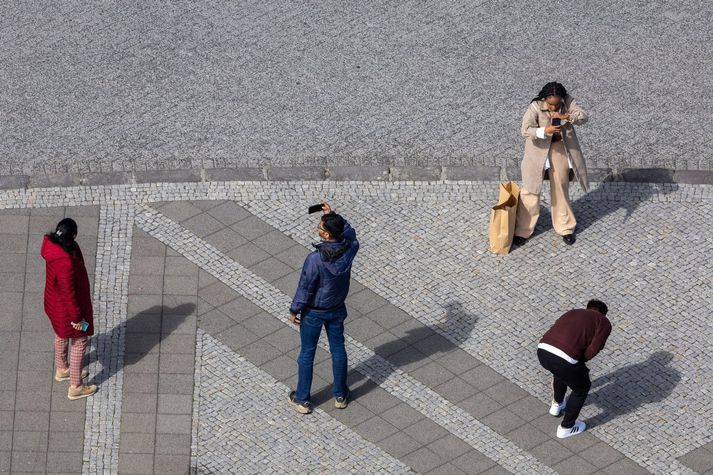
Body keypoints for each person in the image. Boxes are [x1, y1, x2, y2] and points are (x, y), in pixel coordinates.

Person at [288, 201, 359, 414]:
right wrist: (333, 217)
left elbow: (305, 287)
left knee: (307, 353)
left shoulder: (315, 260)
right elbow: (352, 235)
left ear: (327, 236)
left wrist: (294, 310)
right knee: (338, 349)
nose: (318, 229)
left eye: (321, 228)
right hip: (336, 309)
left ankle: (302, 399)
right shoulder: (349, 250)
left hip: (314, 313)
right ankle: (340, 395)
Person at [514, 82, 589, 246]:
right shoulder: (535, 106)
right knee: (530, 189)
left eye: (557, 104)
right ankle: (523, 229)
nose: (554, 108)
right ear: (545, 99)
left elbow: (583, 116)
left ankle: (565, 227)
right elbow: (525, 129)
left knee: (561, 186)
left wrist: (567, 117)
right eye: (551, 104)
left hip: (559, 149)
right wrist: (544, 131)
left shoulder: (567, 102)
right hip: (537, 151)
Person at [537, 300, 611, 438]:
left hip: (543, 350)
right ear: (604, 314)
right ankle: (567, 427)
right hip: (565, 359)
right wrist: (581, 360)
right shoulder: (603, 322)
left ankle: (557, 405)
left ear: (588, 308)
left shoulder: (573, 312)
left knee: (561, 372)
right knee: (581, 388)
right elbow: (595, 348)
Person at [42, 218, 97, 400]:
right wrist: (77, 319)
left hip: (54, 305)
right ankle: (76, 386)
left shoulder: (53, 249)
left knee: (60, 334)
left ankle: (62, 368)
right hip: (67, 311)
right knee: (80, 341)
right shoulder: (65, 262)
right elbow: (69, 293)